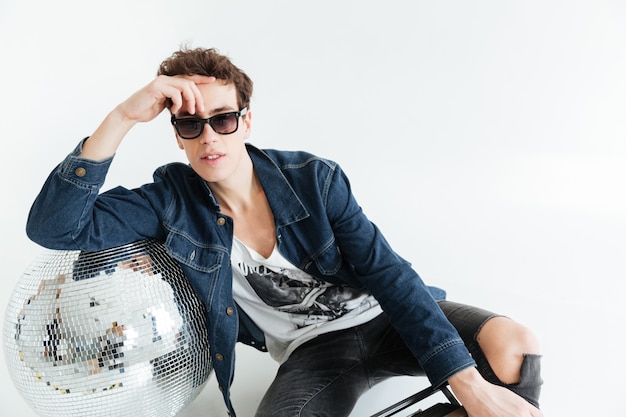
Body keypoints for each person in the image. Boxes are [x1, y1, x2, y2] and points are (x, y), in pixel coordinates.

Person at [27, 47, 543, 417]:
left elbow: (390, 275)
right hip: (315, 351)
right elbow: (55, 228)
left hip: (383, 317)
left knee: (514, 345)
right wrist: (120, 117)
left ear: (247, 122)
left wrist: (467, 384)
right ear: (179, 138)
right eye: (191, 126)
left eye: (223, 119)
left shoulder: (314, 180)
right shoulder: (169, 200)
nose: (209, 137)